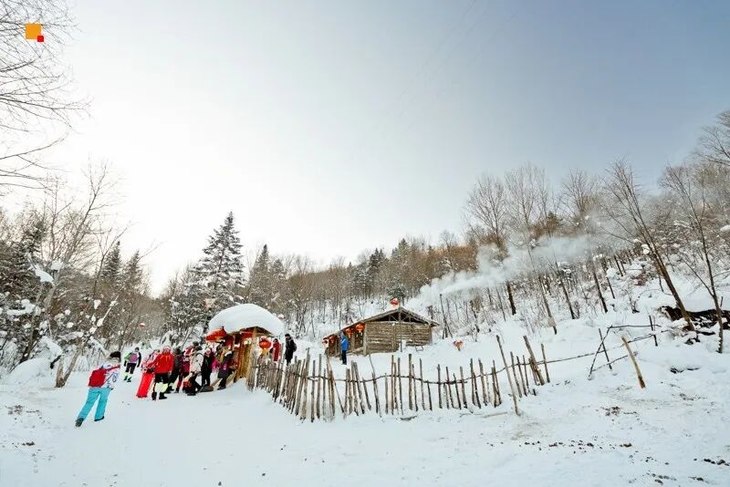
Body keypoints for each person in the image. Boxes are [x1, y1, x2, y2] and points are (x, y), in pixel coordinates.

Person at [75, 351, 121, 427]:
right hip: (106, 388)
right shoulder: (117, 367)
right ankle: (98, 417)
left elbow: (96, 372)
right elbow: (114, 379)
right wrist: (111, 387)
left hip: (95, 386)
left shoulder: (104, 363)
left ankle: (81, 418)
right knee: (103, 401)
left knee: (89, 402)